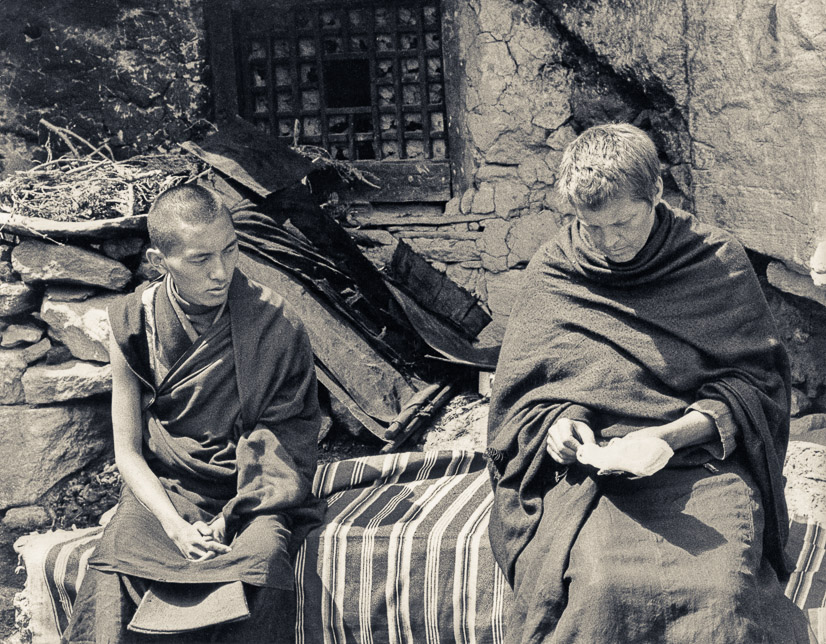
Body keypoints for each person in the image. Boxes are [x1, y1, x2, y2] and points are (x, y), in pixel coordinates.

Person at [486, 124, 813, 643]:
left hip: (701, 466)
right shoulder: (557, 269)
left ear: (655, 194)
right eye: (591, 226)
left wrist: (669, 436)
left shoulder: (714, 261)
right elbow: (527, 395)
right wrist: (562, 428)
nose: (609, 242)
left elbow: (759, 388)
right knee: (598, 588)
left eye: (622, 222)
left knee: (722, 592)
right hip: (595, 480)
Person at [62, 184, 324, 643]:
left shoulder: (276, 323)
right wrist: (175, 526)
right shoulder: (132, 323)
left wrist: (232, 514)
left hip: (251, 491)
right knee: (116, 566)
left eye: (230, 249)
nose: (221, 271)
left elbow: (287, 436)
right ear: (160, 261)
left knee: (262, 564)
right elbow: (127, 452)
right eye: (201, 259)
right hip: (169, 486)